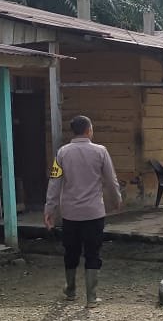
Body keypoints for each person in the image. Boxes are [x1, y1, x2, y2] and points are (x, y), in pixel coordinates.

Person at [44, 115, 123, 307]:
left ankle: (71, 290)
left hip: (70, 214)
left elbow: (54, 182)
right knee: (93, 252)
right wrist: (116, 200)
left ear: (74, 131)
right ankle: (91, 297)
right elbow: (111, 180)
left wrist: (49, 209)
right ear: (88, 130)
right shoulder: (101, 151)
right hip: (94, 213)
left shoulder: (62, 153)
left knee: (71, 251)